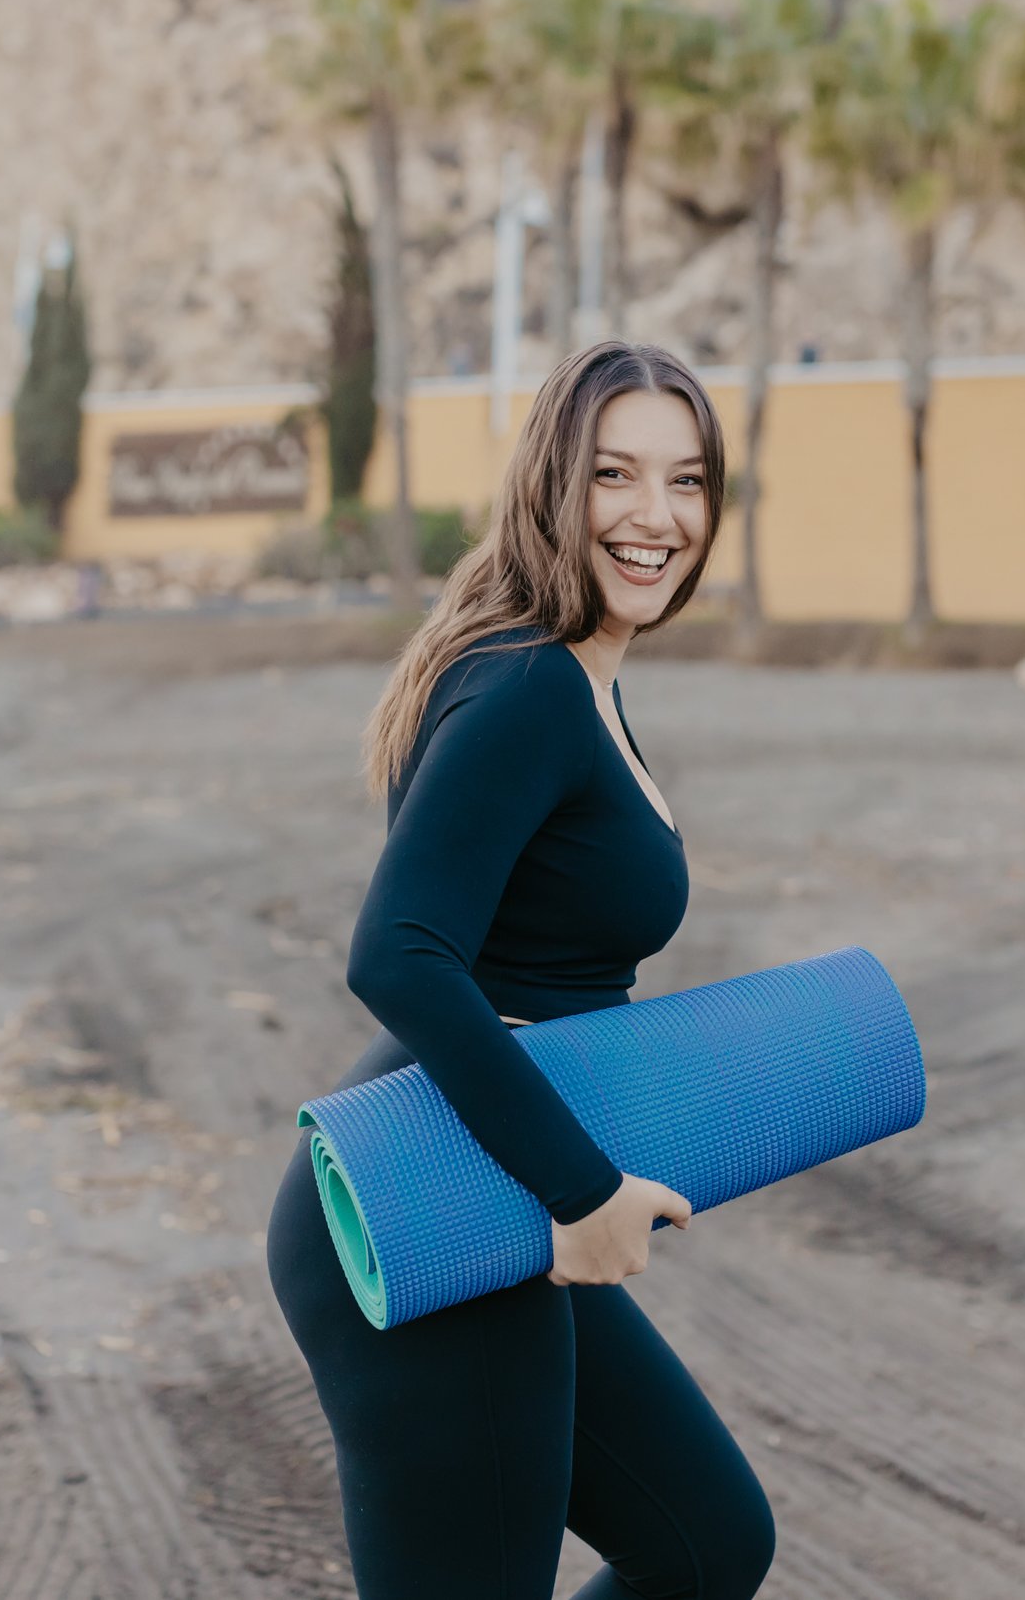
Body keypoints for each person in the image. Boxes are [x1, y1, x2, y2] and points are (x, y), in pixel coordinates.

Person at [265, 341, 777, 1599]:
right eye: (616, 474)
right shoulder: (530, 682)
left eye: (688, 481)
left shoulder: (575, 677)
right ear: (552, 483)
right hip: (436, 1192)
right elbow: (399, 951)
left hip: (490, 1183)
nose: (656, 516)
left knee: (705, 1542)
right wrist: (584, 1187)